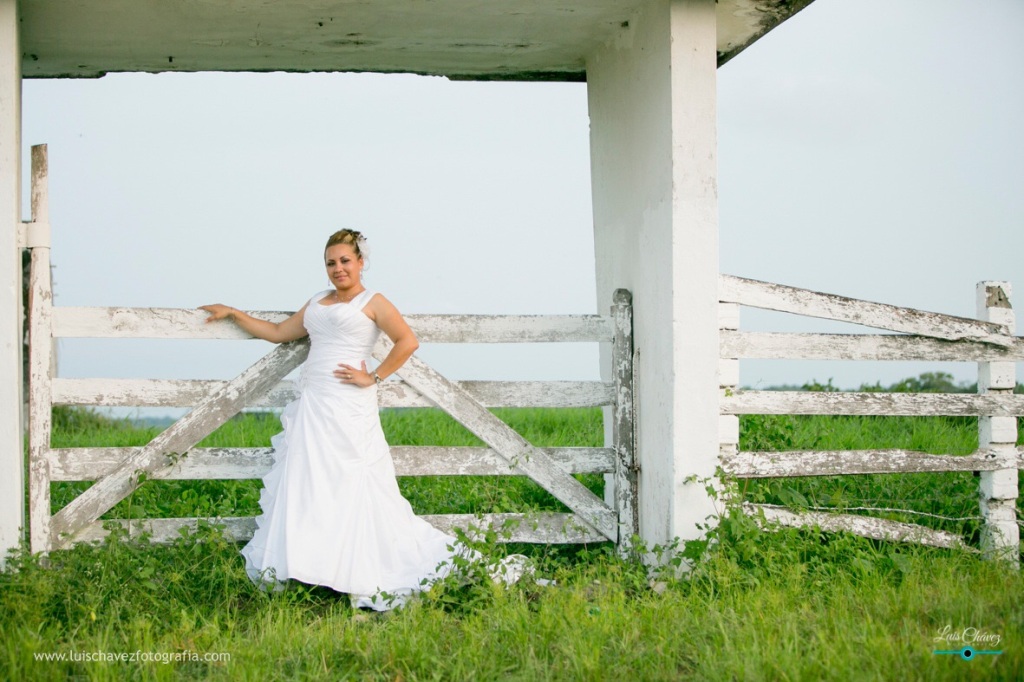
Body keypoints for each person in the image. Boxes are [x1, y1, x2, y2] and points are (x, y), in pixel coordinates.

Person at [200, 229, 474, 610]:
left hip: (349, 405)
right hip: (313, 404)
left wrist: (373, 377)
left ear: (361, 262)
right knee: (311, 481)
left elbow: (407, 341)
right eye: (331, 263)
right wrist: (233, 313)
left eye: (345, 260)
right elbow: (280, 333)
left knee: (351, 481)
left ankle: (358, 572)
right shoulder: (317, 301)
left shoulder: (373, 301)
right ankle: (311, 566)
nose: (338, 268)